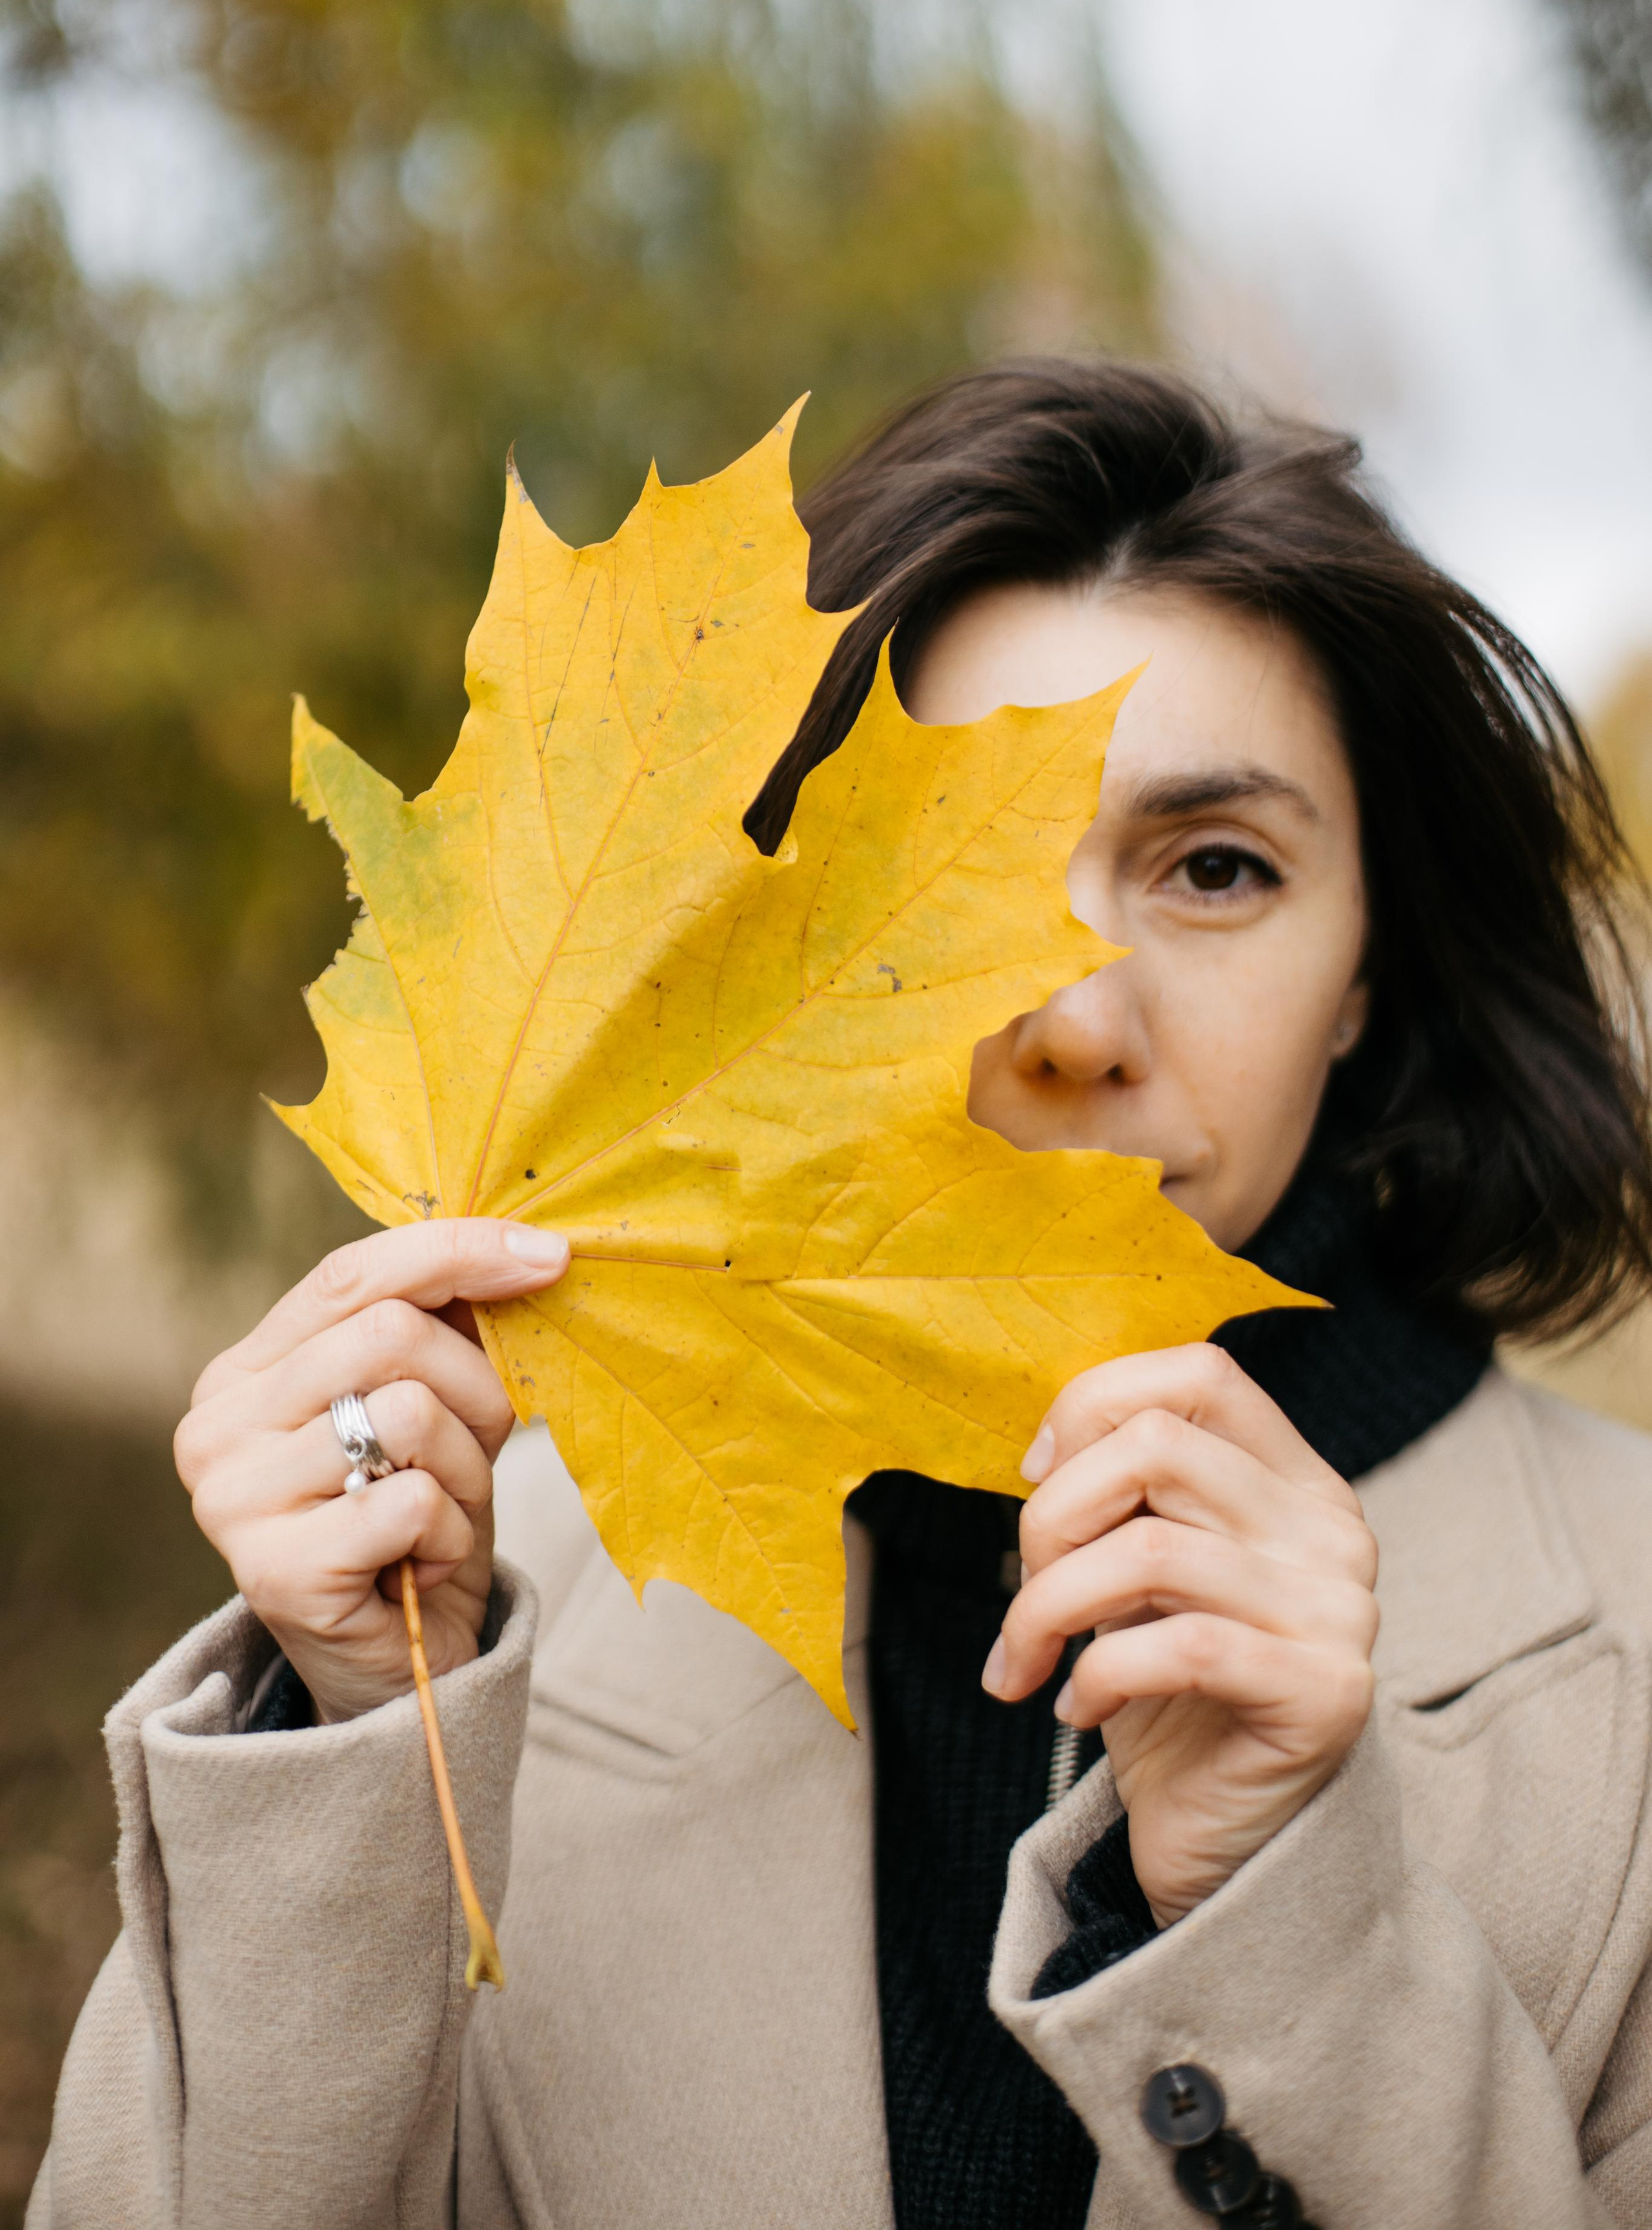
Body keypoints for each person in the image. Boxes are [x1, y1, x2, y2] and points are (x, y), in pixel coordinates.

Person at [28, 361, 1652, 2230]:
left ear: (1373, 969)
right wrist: (341, 1743)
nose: (1076, 1023)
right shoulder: (490, 1606)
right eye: (941, 888)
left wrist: (1294, 1921)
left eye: (1216, 869)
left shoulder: (1625, 1639)